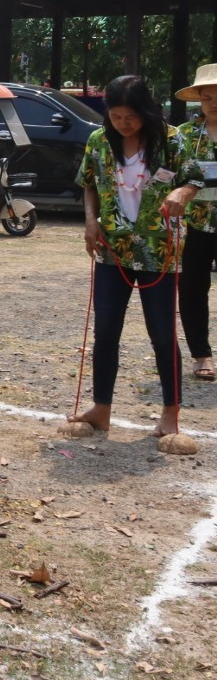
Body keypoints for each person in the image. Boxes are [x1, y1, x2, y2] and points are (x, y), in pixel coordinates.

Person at [69, 75, 202, 438]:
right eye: (116, 117)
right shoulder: (99, 142)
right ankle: (101, 409)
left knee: (161, 333)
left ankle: (170, 415)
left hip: (159, 250)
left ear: (146, 111)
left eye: (130, 116)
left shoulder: (171, 140)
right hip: (112, 250)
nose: (124, 124)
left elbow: (193, 179)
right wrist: (90, 222)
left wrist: (181, 194)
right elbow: (90, 185)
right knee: (105, 332)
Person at [177, 63, 217, 381]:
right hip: (193, 225)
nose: (214, 102)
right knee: (192, 289)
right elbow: (167, 172)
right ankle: (201, 355)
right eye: (208, 97)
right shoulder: (185, 135)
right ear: (199, 100)